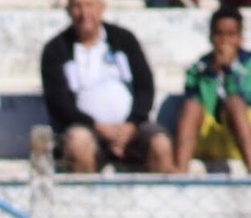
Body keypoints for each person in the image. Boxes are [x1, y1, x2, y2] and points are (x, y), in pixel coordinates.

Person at [40, 0, 174, 173]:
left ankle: (160, 198)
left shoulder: (124, 40)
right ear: (68, 10)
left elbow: (145, 87)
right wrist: (99, 127)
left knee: (161, 145)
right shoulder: (55, 49)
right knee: (78, 143)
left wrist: (130, 125)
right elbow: (58, 102)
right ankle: (83, 198)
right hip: (86, 128)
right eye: (77, 7)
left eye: (89, 5)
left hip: (132, 127)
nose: (84, 14)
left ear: (102, 7)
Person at [174, 6, 251, 173]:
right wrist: (213, 73)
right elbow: (195, 99)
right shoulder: (199, 68)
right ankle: (180, 175)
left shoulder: (249, 66)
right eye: (219, 34)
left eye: (231, 35)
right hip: (209, 137)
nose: (224, 41)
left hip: (243, 135)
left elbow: (245, 98)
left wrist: (230, 71)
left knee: (235, 104)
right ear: (210, 36)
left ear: (240, 38)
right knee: (191, 107)